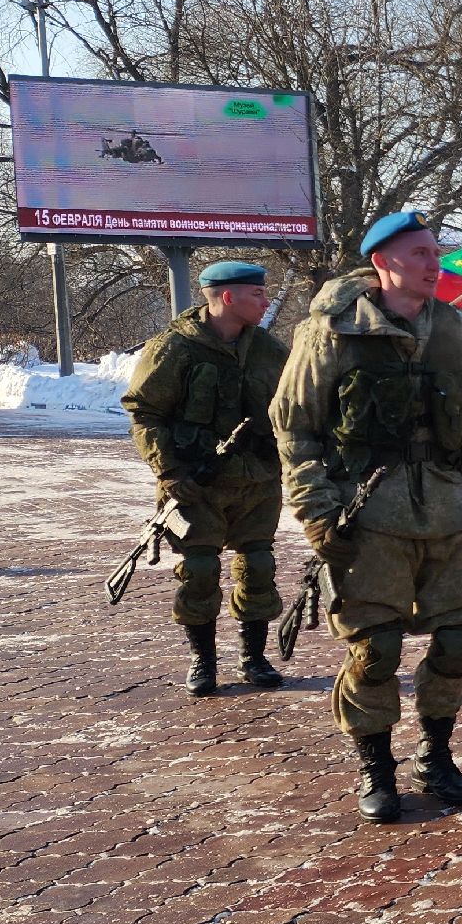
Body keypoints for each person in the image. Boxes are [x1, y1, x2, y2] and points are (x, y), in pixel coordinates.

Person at [272, 210, 462, 824]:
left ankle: (435, 754)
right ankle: (375, 765)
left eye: (435, 251)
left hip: (450, 511)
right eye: (420, 253)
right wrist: (317, 510)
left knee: (458, 639)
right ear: (384, 262)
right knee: (375, 648)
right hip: (369, 517)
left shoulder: (458, 331)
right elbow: (295, 427)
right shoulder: (332, 332)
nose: (434, 262)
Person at [120, 260, 290, 696]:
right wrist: (170, 471)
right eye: (257, 294)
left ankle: (253, 657)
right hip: (196, 483)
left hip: (257, 481)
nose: (266, 301)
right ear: (227, 297)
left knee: (258, 566)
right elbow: (145, 414)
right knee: (198, 569)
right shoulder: (174, 348)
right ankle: (204, 660)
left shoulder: (269, 350)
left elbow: (295, 409)